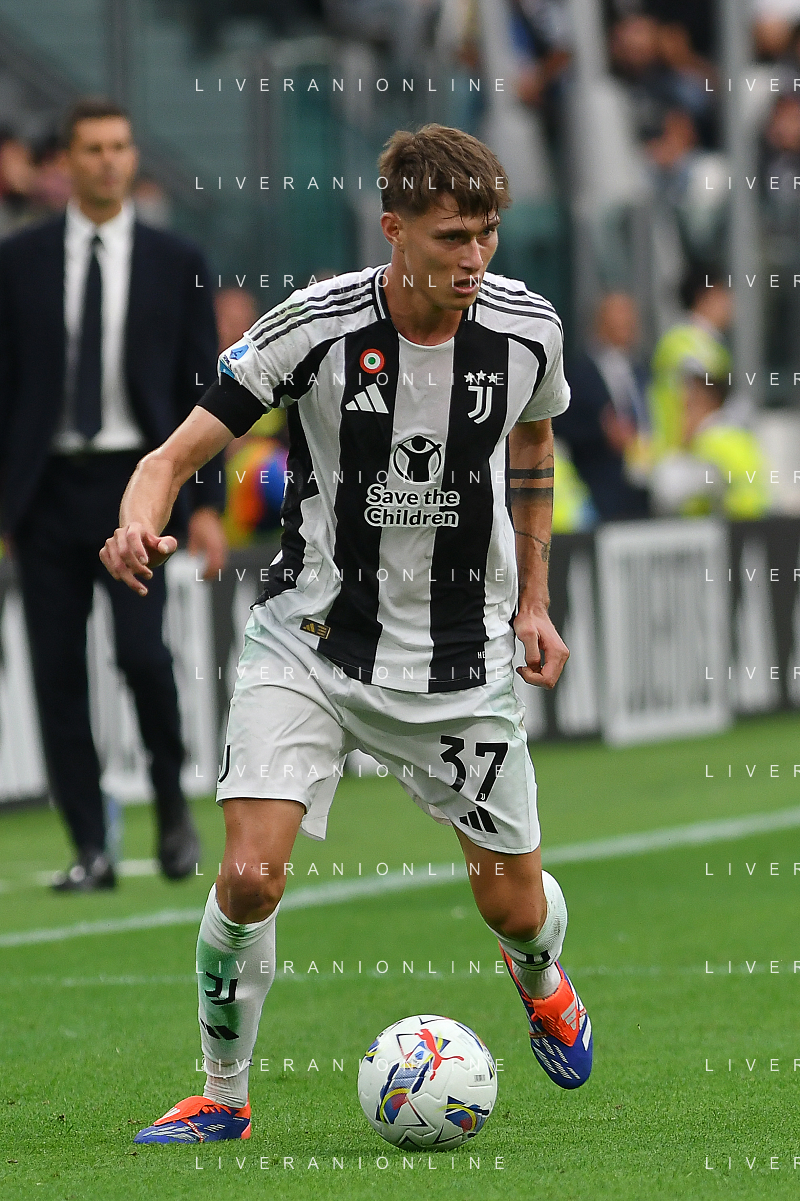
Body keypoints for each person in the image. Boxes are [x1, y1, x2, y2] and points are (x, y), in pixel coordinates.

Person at [101, 123, 593, 1144]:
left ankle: (540, 972)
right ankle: (223, 1096)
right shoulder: (314, 325)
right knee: (249, 876)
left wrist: (534, 599)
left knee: (512, 906)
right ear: (393, 229)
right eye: (451, 236)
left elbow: (534, 443)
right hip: (311, 643)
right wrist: (138, 520)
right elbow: (172, 456)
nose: (473, 258)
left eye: (487, 234)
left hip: (459, 663)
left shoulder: (527, 328)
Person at [0, 97, 227, 890]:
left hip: (140, 487)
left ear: (133, 158)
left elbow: (206, 391)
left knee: (142, 655)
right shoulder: (18, 260)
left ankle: (170, 802)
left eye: (120, 146)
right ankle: (91, 846)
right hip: (45, 492)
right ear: (65, 160)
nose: (107, 160)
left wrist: (206, 505)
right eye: (92, 147)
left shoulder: (177, 259)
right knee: (56, 675)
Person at [555, 292, 650, 520]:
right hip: (598, 491)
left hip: (642, 490)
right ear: (600, 322)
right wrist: (601, 432)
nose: (627, 323)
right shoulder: (576, 373)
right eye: (619, 316)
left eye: (630, 317)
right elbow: (560, 424)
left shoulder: (641, 371)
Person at [650, 363, 770, 519]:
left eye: (684, 408)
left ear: (701, 403)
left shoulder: (711, 442)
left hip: (737, 526)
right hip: (755, 523)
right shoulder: (735, 436)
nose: (678, 419)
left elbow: (669, 490)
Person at [648, 269, 732, 456]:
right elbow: (692, 399)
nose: (730, 303)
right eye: (722, 295)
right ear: (704, 298)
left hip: (690, 448)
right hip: (682, 449)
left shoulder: (712, 345)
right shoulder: (682, 343)